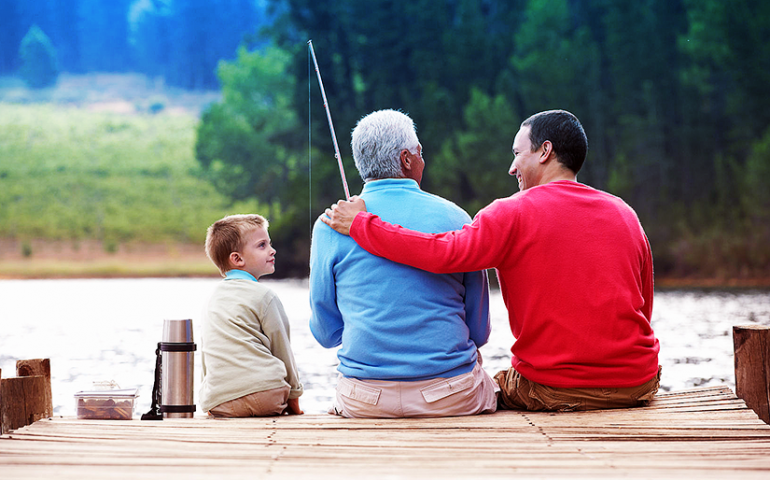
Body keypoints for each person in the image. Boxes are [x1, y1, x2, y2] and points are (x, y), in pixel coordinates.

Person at [321, 109, 661, 412]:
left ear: (545, 152)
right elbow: (643, 305)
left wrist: (362, 225)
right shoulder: (624, 212)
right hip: (638, 383)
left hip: (554, 389)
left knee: (499, 386)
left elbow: (444, 253)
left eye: (517, 153)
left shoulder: (512, 213)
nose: (512, 167)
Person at [310, 109, 498, 418]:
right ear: (407, 159)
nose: (423, 160)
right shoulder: (456, 218)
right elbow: (479, 331)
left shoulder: (329, 225)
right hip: (451, 396)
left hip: (365, 400)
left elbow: (326, 333)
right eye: (420, 153)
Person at [199, 214, 303, 417]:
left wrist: (210, 395)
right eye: (262, 245)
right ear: (237, 259)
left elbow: (208, 354)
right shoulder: (265, 296)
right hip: (266, 396)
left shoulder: (212, 299)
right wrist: (295, 398)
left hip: (220, 401)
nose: (272, 250)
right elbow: (282, 349)